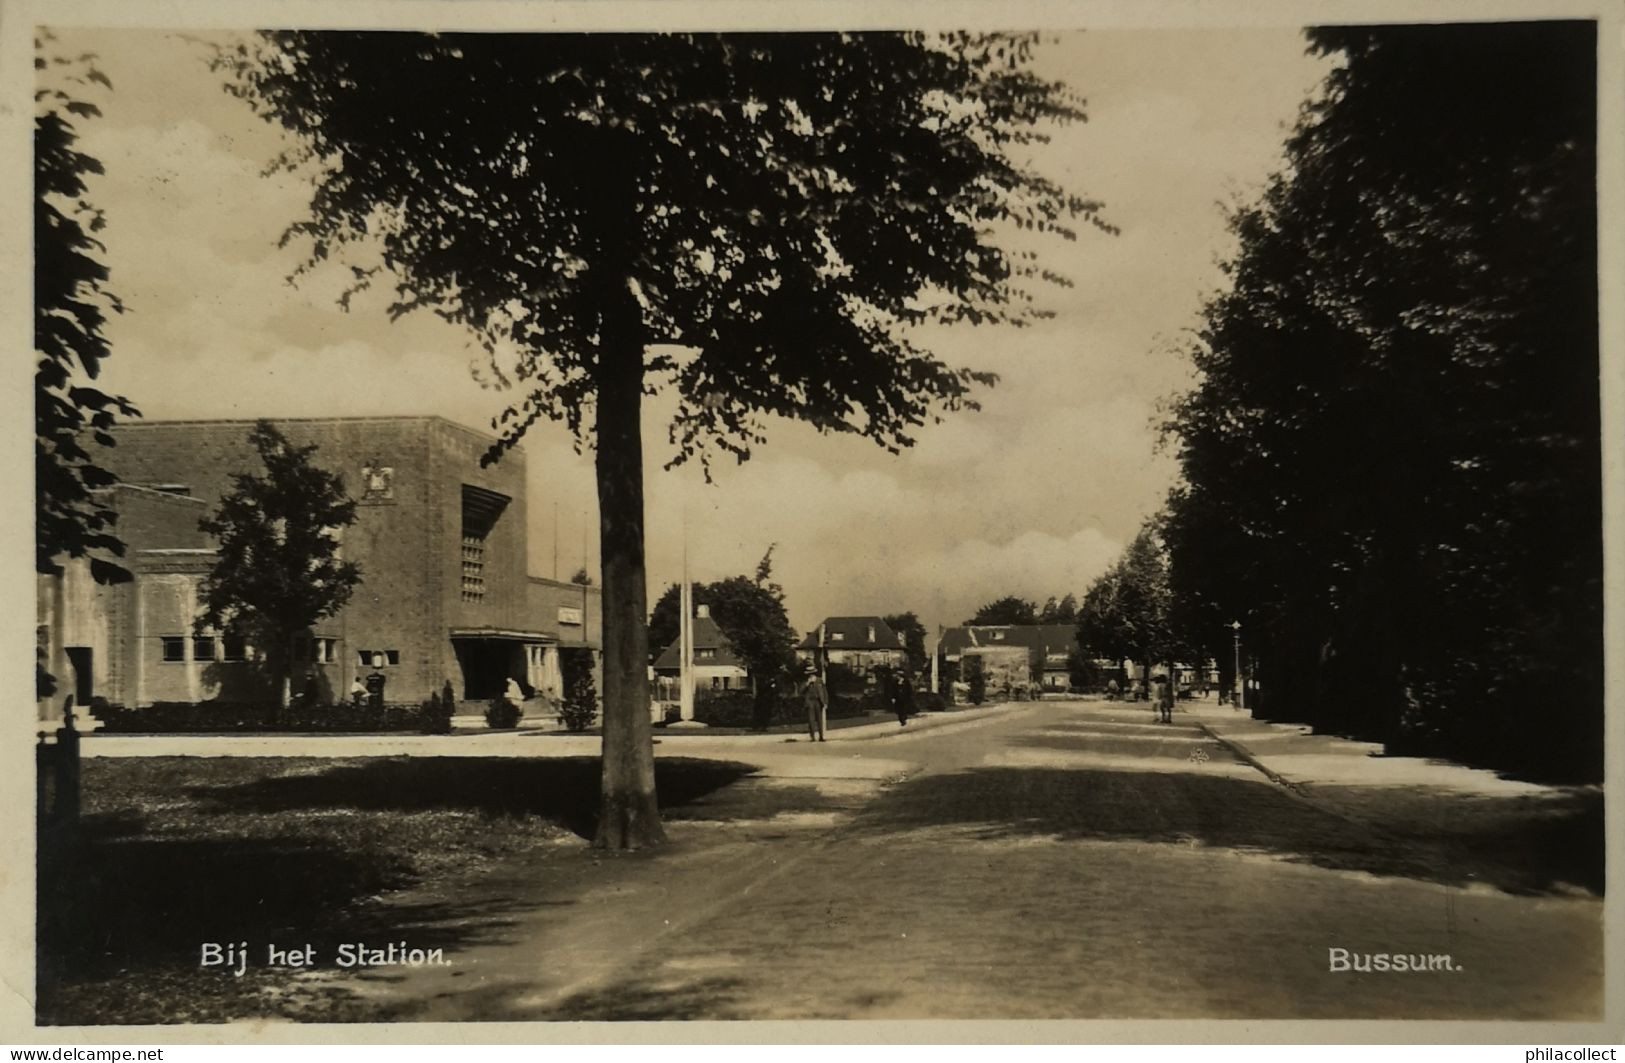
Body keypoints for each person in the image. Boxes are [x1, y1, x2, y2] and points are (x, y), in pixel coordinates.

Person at [801, 662, 829, 743]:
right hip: (810, 701)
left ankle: (821, 736)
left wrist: (825, 702)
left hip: (818, 701)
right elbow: (801, 691)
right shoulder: (806, 681)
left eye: (812, 674)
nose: (811, 675)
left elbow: (824, 691)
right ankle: (812, 736)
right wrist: (807, 683)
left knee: (819, 720)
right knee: (811, 720)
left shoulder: (819, 680)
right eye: (810, 674)